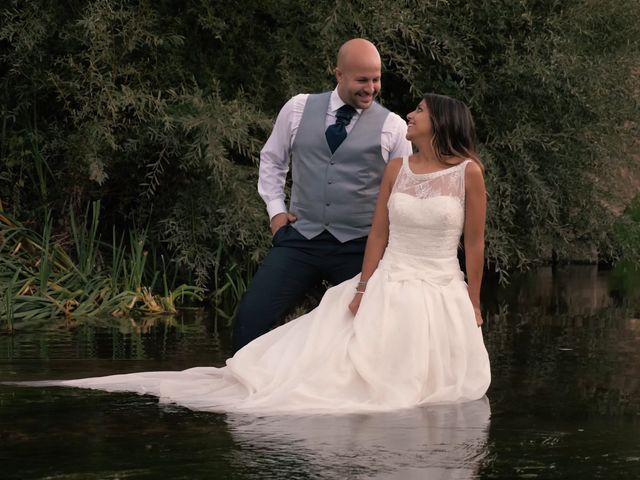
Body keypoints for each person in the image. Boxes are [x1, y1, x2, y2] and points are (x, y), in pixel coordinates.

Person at [10, 92, 491, 415]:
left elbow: (473, 242)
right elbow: (378, 236)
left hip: (440, 286)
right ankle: (256, 374)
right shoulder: (396, 167)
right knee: (309, 342)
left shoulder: (468, 173)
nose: (410, 113)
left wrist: (472, 299)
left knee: (427, 383)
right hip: (381, 273)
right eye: (412, 109)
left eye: (420, 110)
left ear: (441, 122)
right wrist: (363, 285)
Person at [232, 38, 413, 352]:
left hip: (358, 247)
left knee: (376, 336)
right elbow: (273, 159)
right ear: (339, 74)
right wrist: (276, 212)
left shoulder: (393, 128)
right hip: (301, 238)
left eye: (376, 79)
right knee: (249, 322)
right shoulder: (298, 108)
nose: (371, 88)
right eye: (362, 80)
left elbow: (404, 195)